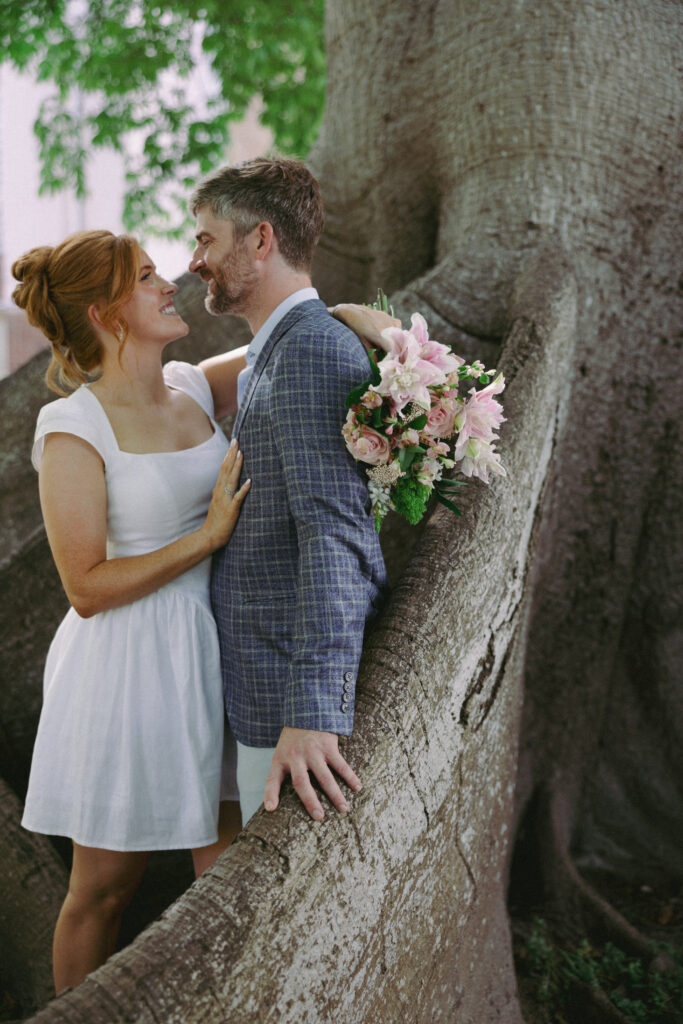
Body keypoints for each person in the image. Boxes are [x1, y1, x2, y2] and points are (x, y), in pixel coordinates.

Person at [13, 228, 394, 990]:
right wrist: (209, 536)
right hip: (126, 670)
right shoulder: (72, 428)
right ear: (105, 313)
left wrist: (361, 318)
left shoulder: (189, 384)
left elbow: (283, 344)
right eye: (147, 278)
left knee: (226, 882)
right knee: (103, 890)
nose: (170, 285)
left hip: (218, 655)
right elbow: (85, 587)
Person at [188, 157, 390, 825]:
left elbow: (335, 536)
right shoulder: (276, 350)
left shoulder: (307, 352)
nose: (195, 261)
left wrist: (311, 714)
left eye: (207, 239)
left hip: (288, 713)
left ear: (261, 241)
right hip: (256, 688)